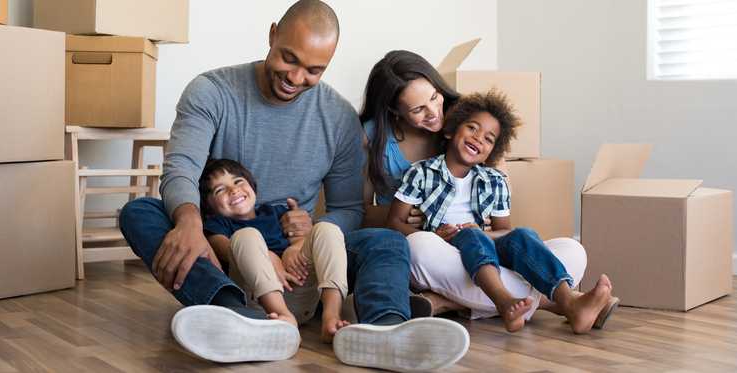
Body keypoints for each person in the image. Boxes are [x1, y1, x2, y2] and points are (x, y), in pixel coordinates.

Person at [119, 1, 469, 370]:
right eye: (289, 58)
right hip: (223, 245)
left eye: (314, 70)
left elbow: (349, 209)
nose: (296, 77)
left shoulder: (338, 118)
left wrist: (310, 235)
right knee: (140, 213)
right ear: (273, 34)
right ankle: (234, 313)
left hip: (302, 259)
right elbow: (182, 168)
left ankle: (385, 329)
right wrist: (190, 223)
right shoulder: (211, 91)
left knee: (387, 240)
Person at [359, 50, 619, 327]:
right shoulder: (406, 161)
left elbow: (503, 225)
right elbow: (366, 214)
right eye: (418, 109)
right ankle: (556, 303)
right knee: (421, 246)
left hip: (484, 247)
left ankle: (446, 302)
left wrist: (486, 233)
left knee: (572, 250)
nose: (435, 112)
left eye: (434, 97)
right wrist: (423, 223)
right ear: (393, 111)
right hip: (433, 248)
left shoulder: (473, 128)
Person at [198, 158, 349, 343]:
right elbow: (224, 249)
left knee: (327, 229)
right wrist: (268, 257)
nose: (234, 190)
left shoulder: (275, 212)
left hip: (300, 289)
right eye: (220, 190)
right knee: (246, 235)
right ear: (209, 206)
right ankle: (283, 317)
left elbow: (301, 239)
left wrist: (293, 249)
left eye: (238, 182)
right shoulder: (217, 225)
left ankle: (331, 316)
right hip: (260, 301)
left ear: (253, 187)